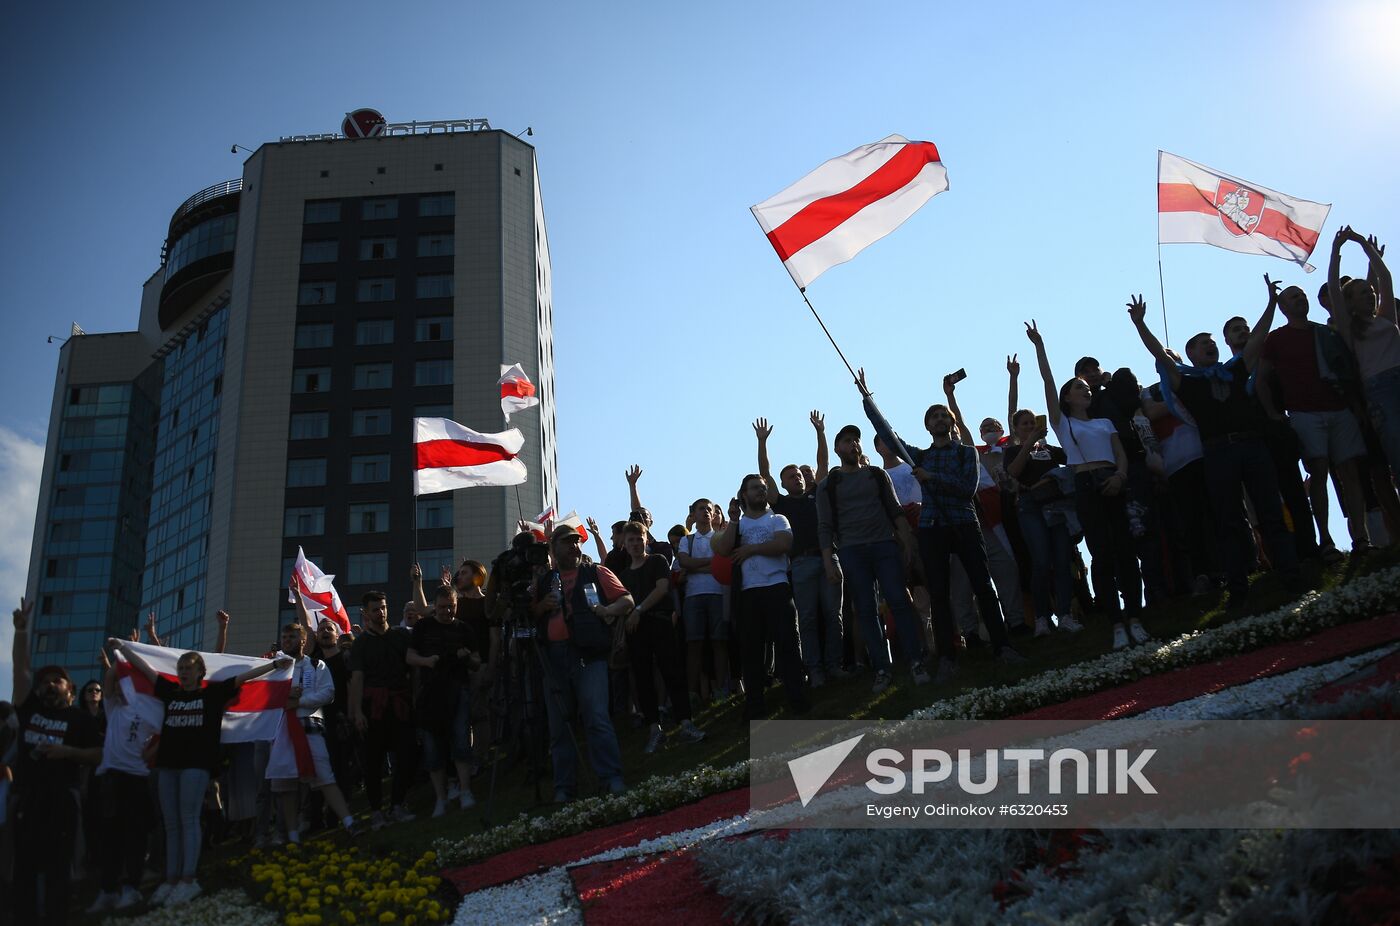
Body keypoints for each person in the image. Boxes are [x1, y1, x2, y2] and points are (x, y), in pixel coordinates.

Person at [1128, 285, 1300, 609]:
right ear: (1190, 354)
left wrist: (1270, 304)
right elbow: (1160, 356)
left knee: (1270, 510)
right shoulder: (1187, 381)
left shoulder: (1235, 369)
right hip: (1218, 452)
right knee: (1228, 519)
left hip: (1252, 446)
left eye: (1211, 342)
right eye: (1202, 343)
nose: (1209, 345)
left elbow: (1258, 339)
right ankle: (1238, 587)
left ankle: (1289, 574)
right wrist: (1140, 324)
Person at [858, 371, 1027, 677]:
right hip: (932, 528)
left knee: (983, 586)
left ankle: (1003, 646)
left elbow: (966, 488)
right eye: (933, 416)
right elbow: (888, 434)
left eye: (942, 415)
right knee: (938, 592)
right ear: (927, 425)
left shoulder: (965, 453)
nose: (938, 419)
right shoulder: (919, 456)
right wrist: (868, 400)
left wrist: (932, 477)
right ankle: (947, 656)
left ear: (950, 422)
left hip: (964, 522)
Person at [112, 636, 289, 905]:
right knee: (170, 823)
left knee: (189, 819)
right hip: (167, 765)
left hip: (196, 765)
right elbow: (146, 670)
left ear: (200, 672)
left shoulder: (212, 694)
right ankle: (170, 880)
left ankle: (188, 880)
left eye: (189, 668)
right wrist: (123, 648)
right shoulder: (169, 691)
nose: (184, 672)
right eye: (181, 668)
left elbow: (243, 678)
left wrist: (274, 665)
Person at [1025, 321, 1149, 649]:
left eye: (1087, 388)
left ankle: (1135, 617)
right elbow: (1048, 382)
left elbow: (1120, 453)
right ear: (1068, 397)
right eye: (1079, 387)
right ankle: (1116, 623)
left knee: (1125, 549)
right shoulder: (1062, 423)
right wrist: (1040, 346)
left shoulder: (1104, 422)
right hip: (1085, 483)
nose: (1086, 390)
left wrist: (1121, 476)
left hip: (1112, 479)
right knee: (1102, 553)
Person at [1256, 275, 1373, 555]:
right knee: (1318, 473)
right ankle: (1326, 541)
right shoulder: (1276, 339)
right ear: (1283, 307)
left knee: (1350, 473)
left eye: (1302, 295)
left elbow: (1347, 371)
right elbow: (1261, 379)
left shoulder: (1327, 333)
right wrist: (1274, 413)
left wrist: (1355, 405)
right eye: (1293, 297)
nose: (1300, 299)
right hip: (1304, 413)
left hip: (1339, 409)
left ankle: (1361, 539)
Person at [10, 597, 103, 926]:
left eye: (57, 680)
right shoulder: (30, 708)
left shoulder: (80, 721)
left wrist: (69, 753)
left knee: (58, 868)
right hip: (27, 796)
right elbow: (21, 672)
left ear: (69, 689)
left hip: (63, 799)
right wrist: (21, 631)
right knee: (23, 866)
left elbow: (98, 754)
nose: (49, 684)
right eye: (45, 681)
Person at [816, 424, 928, 691]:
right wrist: (828, 561)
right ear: (837, 449)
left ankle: (916, 662)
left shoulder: (877, 475)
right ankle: (881, 668)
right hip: (852, 552)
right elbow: (824, 526)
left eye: (856, 440)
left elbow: (894, 508)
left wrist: (907, 541)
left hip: (884, 546)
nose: (853, 444)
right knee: (866, 611)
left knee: (899, 601)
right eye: (846, 441)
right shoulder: (828, 485)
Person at [532, 525, 630, 801]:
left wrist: (606, 610)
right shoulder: (543, 581)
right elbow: (529, 615)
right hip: (552, 658)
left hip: (589, 655)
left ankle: (611, 778)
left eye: (577, 542)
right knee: (558, 727)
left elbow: (627, 600)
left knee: (596, 717)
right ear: (554, 548)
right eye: (568, 542)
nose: (575, 546)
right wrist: (541, 607)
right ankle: (564, 788)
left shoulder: (596, 571)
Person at [755, 412, 844, 687]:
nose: (797, 479)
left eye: (798, 475)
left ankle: (835, 666)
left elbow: (823, 463)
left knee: (833, 616)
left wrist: (820, 432)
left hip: (829, 558)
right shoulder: (780, 504)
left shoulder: (816, 493)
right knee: (806, 618)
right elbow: (765, 474)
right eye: (791, 477)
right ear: (782, 485)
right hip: (801, 564)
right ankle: (814, 670)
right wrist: (762, 443)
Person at [712, 476, 810, 718]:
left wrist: (752, 549)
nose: (761, 491)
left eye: (763, 488)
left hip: (777, 587)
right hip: (748, 594)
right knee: (751, 652)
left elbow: (784, 544)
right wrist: (733, 521)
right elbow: (723, 550)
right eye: (755, 488)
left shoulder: (777, 518)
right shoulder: (738, 525)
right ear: (743, 494)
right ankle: (755, 708)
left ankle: (797, 700)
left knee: (788, 644)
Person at [615, 521, 706, 752]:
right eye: (631, 540)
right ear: (624, 544)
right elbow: (624, 607)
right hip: (636, 630)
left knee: (672, 671)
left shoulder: (657, 561)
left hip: (660, 622)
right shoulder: (623, 575)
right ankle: (655, 730)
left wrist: (638, 610)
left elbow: (662, 588)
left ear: (646, 540)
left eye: (639, 539)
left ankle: (686, 723)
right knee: (643, 678)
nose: (635, 544)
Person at [265, 621, 357, 843]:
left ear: (303, 641)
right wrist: (285, 696)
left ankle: (349, 823)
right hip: (282, 730)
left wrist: (300, 701)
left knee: (325, 777)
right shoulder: (274, 668)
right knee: (286, 785)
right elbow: (264, 696)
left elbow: (328, 693)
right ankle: (293, 834)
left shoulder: (316, 665)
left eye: (292, 637)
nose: (287, 641)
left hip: (310, 727)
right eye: (285, 637)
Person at [84, 657, 158, 914]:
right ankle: (107, 890)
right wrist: (122, 656)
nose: (116, 688)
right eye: (115, 686)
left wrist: (148, 754)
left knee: (134, 836)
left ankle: (131, 887)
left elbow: (165, 732)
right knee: (110, 837)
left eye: (122, 684)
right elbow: (109, 678)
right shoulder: (113, 707)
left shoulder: (147, 711)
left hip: (136, 778)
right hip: (111, 778)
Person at [1329, 227, 1400, 484]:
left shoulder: (1386, 318)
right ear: (1351, 302)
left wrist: (1364, 245)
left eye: (1370, 291)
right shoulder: (1349, 330)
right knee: (1396, 442)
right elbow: (1335, 293)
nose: (1370, 294)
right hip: (1379, 389)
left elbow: (1385, 277)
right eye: (1362, 293)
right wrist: (1336, 250)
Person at [1003, 409, 1082, 635]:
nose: (1029, 426)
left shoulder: (1049, 451)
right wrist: (1030, 443)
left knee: (1061, 560)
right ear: (1016, 429)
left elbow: (1072, 458)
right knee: (1040, 560)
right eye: (1025, 424)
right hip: (1030, 507)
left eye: (1032, 423)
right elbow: (1014, 471)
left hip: (1056, 506)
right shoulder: (1014, 450)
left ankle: (1065, 614)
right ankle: (1041, 618)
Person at [349, 590, 418, 829]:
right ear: (366, 613)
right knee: (373, 762)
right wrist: (357, 712)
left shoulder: (400, 636)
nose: (381, 612)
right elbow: (356, 679)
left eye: (384, 607)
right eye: (376, 609)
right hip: (373, 707)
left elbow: (413, 664)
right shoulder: (360, 645)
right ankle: (377, 811)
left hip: (400, 703)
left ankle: (397, 805)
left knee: (406, 755)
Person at [408, 584, 479, 817]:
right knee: (432, 747)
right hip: (430, 692)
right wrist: (427, 661)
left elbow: (478, 660)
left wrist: (467, 658)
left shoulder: (465, 629)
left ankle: (465, 790)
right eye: (442, 608)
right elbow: (410, 656)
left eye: (451, 607)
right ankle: (441, 798)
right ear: (434, 607)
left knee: (460, 740)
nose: (447, 612)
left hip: (458, 689)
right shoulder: (423, 627)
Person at [674, 498, 732, 702]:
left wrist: (695, 567)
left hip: (717, 593)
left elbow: (723, 564)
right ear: (693, 514)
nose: (706, 512)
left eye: (709, 509)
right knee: (694, 644)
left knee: (719, 642)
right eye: (702, 509)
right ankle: (692, 693)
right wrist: (712, 563)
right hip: (693, 596)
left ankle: (722, 690)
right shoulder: (686, 540)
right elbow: (684, 562)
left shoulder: (721, 538)